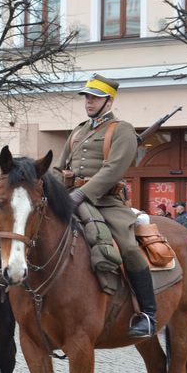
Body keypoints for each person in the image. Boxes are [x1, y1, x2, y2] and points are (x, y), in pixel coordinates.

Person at [60, 74, 155, 338]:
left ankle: (147, 313)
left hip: (106, 201)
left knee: (127, 246)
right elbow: (60, 168)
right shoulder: (78, 130)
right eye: (87, 97)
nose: (89, 102)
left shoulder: (121, 129)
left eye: (95, 97)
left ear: (109, 100)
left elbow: (113, 170)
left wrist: (82, 193)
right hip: (70, 196)